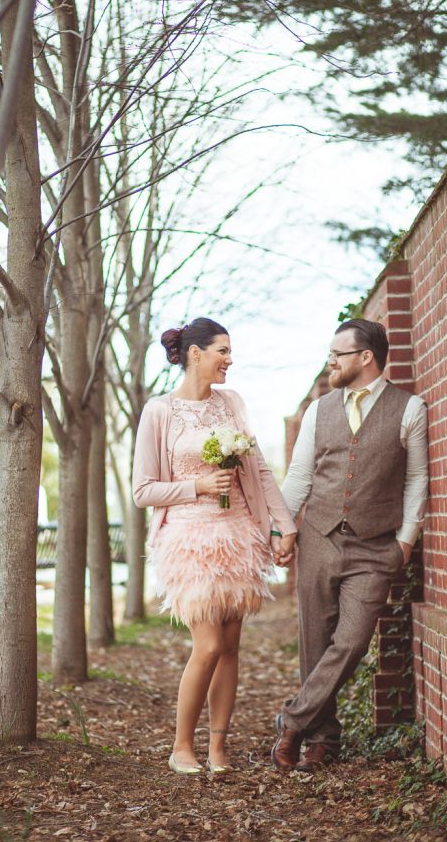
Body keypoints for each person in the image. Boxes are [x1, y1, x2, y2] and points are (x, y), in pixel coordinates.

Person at [133, 317, 297, 775]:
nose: (229, 359)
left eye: (230, 351)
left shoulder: (233, 404)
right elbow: (143, 490)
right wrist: (199, 486)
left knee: (229, 645)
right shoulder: (160, 411)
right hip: (189, 540)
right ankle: (181, 746)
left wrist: (284, 527)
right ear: (195, 353)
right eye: (222, 350)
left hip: (239, 533)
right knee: (205, 645)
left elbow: (259, 471)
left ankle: (218, 749)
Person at [271, 318, 429, 772]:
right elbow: (300, 476)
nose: (330, 362)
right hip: (319, 538)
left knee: (353, 641)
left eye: (337, 354)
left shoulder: (409, 409)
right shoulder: (319, 411)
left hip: (376, 547)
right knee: (316, 645)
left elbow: (417, 480)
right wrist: (284, 529)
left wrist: (404, 541)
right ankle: (322, 740)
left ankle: (292, 720)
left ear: (366, 357)